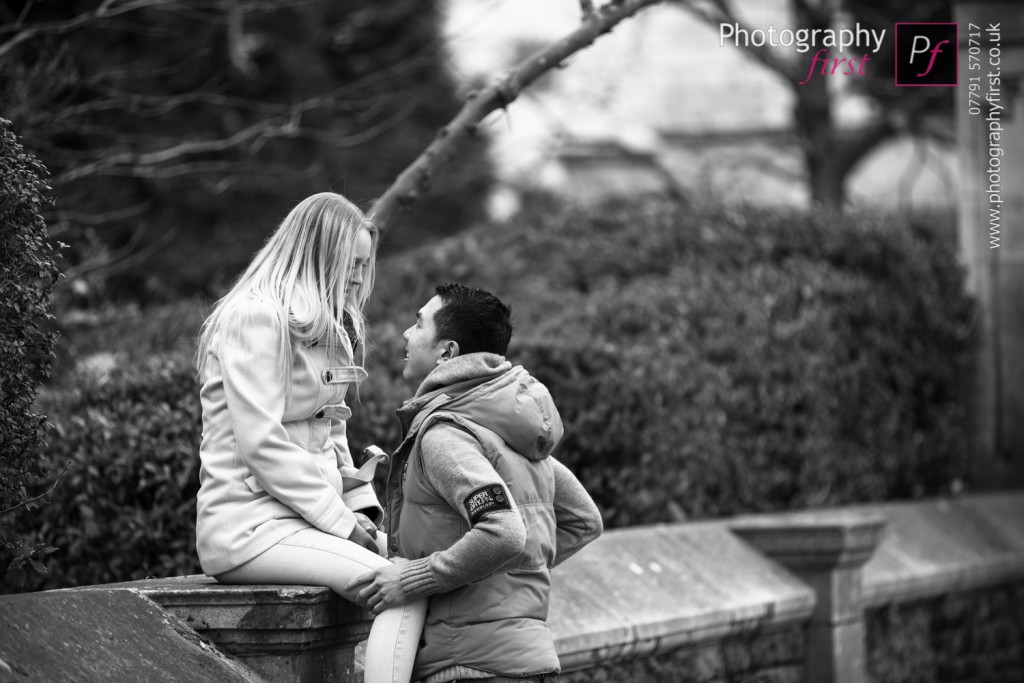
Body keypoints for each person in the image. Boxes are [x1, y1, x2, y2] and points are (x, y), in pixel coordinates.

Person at [193, 192, 426, 683]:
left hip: (308, 519)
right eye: (353, 264)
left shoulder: (330, 328)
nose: (362, 278)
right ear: (320, 255)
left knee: (424, 570)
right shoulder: (254, 318)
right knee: (399, 586)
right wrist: (343, 525)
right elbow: (261, 445)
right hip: (251, 527)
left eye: (367, 264)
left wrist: (362, 510)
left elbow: (332, 437)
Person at [348, 282, 604, 683]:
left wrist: (413, 580)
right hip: (528, 662)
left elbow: (503, 534)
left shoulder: (445, 435)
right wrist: (495, 571)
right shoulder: (508, 432)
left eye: (418, 325)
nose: (405, 334)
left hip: (469, 666)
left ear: (447, 353)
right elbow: (585, 520)